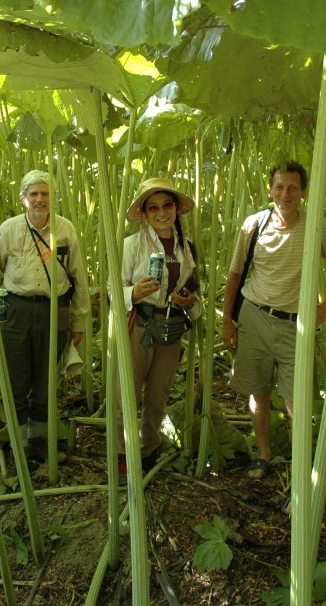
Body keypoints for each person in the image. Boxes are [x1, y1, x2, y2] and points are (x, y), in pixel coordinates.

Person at [222, 161, 326, 479]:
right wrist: (227, 321)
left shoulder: (318, 226)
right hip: (254, 317)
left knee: (296, 401)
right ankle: (263, 454)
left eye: (292, 187)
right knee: (259, 394)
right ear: (270, 189)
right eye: (279, 186)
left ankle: (301, 467)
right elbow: (235, 274)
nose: (285, 193)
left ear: (303, 191)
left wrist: (325, 308)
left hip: (296, 325)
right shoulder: (254, 225)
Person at [0, 170, 90, 460]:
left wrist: (79, 321)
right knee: (16, 378)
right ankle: (18, 443)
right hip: (16, 310)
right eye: (34, 194)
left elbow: (78, 277)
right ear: (23, 199)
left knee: (46, 379)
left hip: (55, 309)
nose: (40, 199)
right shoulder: (9, 229)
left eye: (45, 193)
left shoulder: (65, 229)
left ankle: (39, 441)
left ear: (52, 197)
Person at [118, 178, 201, 474]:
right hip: (139, 325)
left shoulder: (187, 248)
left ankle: (149, 448)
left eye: (167, 205)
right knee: (127, 392)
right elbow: (112, 288)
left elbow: (195, 296)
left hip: (171, 327)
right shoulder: (131, 245)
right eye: (153, 207)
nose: (161, 212)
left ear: (176, 209)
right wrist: (133, 293)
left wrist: (188, 300)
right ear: (144, 213)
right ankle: (122, 452)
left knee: (158, 393)